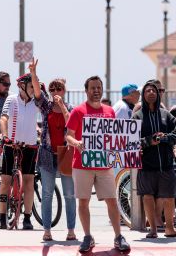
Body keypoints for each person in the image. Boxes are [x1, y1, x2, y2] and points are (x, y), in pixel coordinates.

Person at [66, 76, 130, 253]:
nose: (96, 91)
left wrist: (129, 146)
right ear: (86, 90)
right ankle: (87, 236)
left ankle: (118, 236)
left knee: (112, 200)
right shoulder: (78, 111)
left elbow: (116, 137)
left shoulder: (110, 111)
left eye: (98, 87)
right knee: (83, 202)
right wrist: (76, 142)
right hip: (81, 164)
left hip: (104, 164)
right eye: (92, 88)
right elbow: (68, 135)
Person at [132, 81, 176, 239]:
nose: (151, 93)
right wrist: (149, 141)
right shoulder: (137, 116)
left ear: (157, 94)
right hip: (146, 165)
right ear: (143, 95)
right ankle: (153, 230)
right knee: (147, 196)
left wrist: (164, 139)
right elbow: (131, 140)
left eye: (154, 91)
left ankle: (170, 229)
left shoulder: (166, 115)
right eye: (148, 90)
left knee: (169, 197)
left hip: (166, 164)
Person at [31, 61, 77, 242]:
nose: (56, 92)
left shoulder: (72, 108)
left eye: (59, 89)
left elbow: (70, 123)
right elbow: (36, 92)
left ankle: (71, 230)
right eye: (53, 89)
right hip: (48, 154)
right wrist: (34, 74)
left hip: (65, 154)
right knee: (48, 193)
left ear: (64, 91)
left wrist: (63, 106)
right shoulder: (46, 106)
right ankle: (47, 230)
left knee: (69, 194)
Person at [0, 71, 39, 230]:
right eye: (31, 86)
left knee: (29, 182)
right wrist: (5, 136)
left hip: (30, 146)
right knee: (5, 181)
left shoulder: (36, 102)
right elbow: (4, 118)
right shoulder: (12, 99)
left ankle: (27, 218)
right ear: (22, 87)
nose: (34, 89)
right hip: (11, 145)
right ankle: (2, 218)